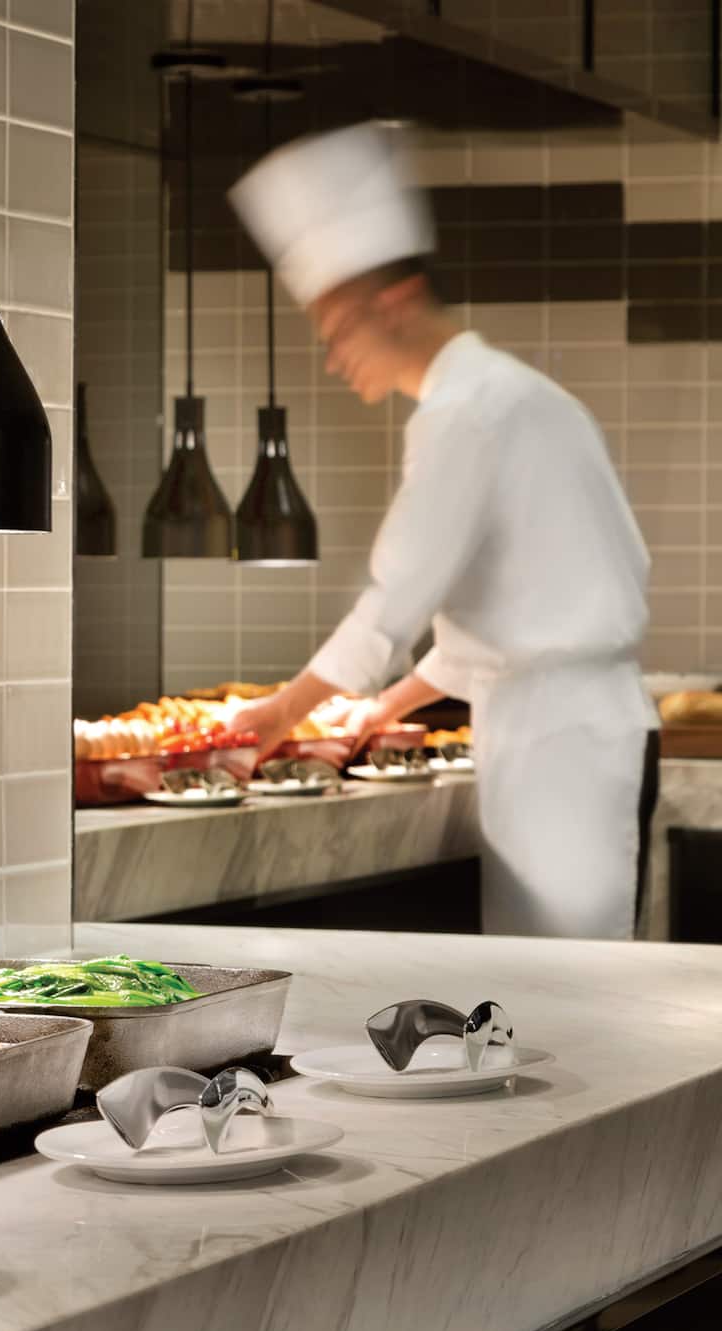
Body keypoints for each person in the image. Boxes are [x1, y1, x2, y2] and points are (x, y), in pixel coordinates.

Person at [224, 122, 658, 940]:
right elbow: (497, 617)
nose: (332, 359)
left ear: (391, 303)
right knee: (559, 992)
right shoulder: (518, 396)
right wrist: (385, 704)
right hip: (574, 727)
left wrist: (283, 711)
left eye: (337, 330)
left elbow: (396, 601)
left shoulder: (465, 413)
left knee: (564, 995)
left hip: (558, 743)